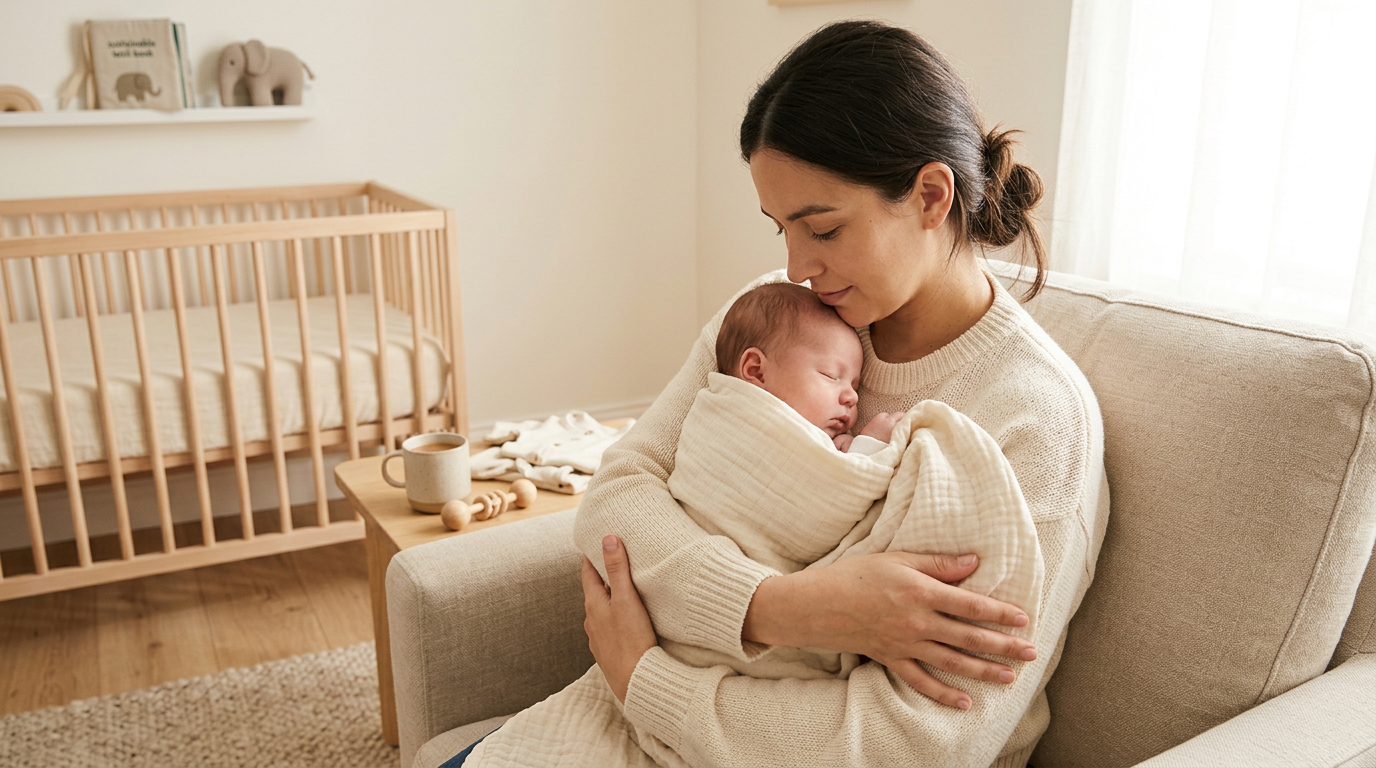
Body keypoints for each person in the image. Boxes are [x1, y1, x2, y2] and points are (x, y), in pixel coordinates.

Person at [456, 18, 1108, 768]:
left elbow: (921, 743)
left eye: (822, 230)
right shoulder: (780, 320)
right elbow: (617, 497)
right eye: (781, 230)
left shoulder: (1036, 419)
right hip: (621, 723)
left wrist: (645, 678)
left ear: (931, 196)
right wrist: (784, 609)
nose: (798, 267)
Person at [713, 281, 902, 454]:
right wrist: (869, 445)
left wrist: (845, 457)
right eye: (830, 375)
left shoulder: (826, 447)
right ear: (756, 371)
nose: (853, 397)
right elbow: (846, 479)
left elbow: (828, 478)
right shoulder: (720, 425)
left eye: (855, 387)